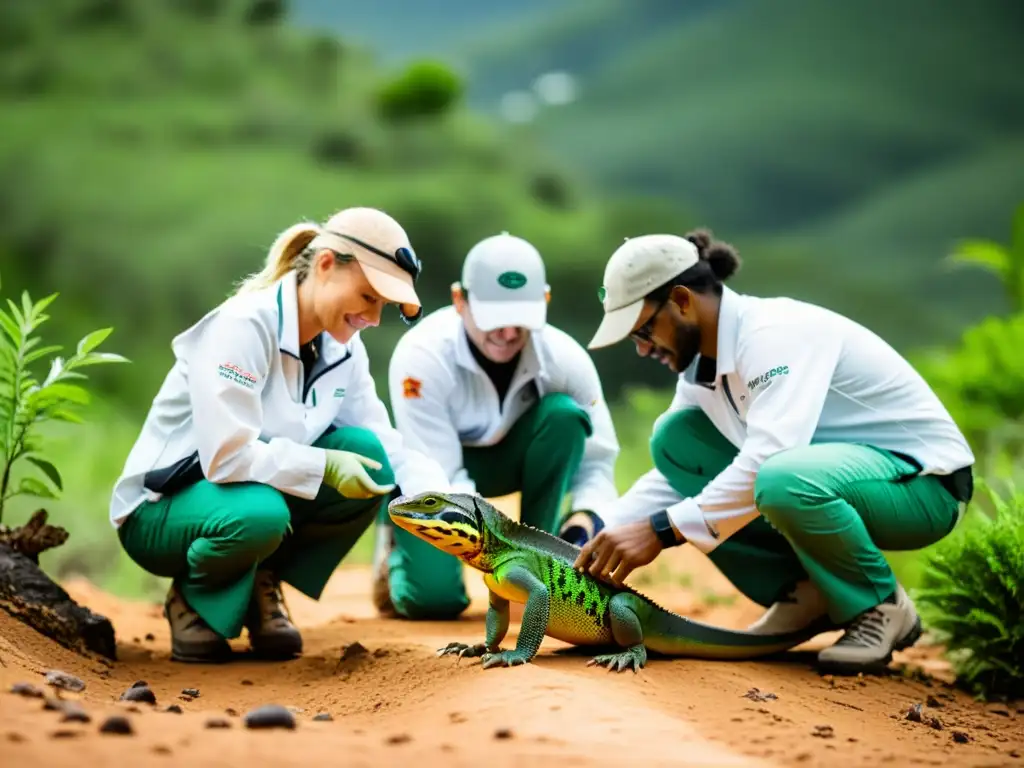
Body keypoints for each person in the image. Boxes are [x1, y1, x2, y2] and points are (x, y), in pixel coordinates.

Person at [574, 229, 975, 674]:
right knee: (676, 439)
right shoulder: (701, 373)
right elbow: (675, 475)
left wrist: (661, 531)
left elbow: (769, 458)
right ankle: (809, 590)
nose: (644, 348)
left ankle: (879, 605)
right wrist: (593, 532)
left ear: (683, 301)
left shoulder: (773, 336)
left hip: (924, 486)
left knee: (780, 479)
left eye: (644, 329)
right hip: (834, 474)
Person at [109, 207, 452, 663]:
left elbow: (384, 443)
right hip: (161, 508)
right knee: (262, 514)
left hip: (240, 496)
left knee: (370, 458)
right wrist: (324, 465)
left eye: (382, 307)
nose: (372, 317)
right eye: (368, 297)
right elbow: (225, 458)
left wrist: (452, 505)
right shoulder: (244, 325)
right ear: (327, 265)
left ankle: (261, 580)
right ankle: (192, 599)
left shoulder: (342, 347)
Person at [371, 231, 620, 620]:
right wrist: (495, 547)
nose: (506, 334)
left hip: (512, 464)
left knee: (565, 418)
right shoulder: (421, 356)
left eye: (519, 320)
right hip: (436, 481)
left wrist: (585, 519)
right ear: (460, 301)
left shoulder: (566, 359)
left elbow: (599, 461)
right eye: (494, 320)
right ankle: (394, 549)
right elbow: (438, 471)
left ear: (544, 303)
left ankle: (543, 557)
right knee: (433, 602)